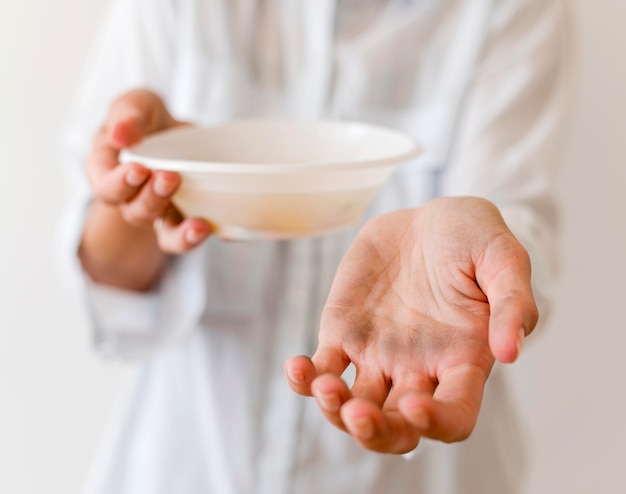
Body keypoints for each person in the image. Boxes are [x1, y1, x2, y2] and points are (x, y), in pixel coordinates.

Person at [59, 0, 574, 493]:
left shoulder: (510, 8)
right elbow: (107, 276)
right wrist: (146, 183)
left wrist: (488, 257)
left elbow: (514, 228)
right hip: (191, 464)